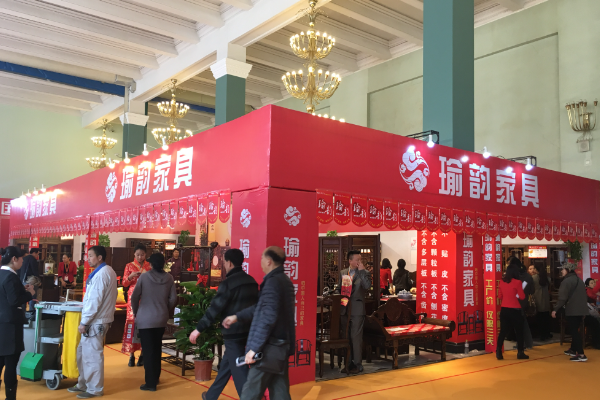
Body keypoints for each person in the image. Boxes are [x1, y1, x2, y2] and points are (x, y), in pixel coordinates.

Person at [222, 246, 295, 400]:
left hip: (268, 349)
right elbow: (261, 307)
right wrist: (237, 316)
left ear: (269, 261)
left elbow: (268, 318)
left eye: (262, 257)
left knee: (250, 393)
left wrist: (254, 349)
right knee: (280, 393)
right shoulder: (284, 280)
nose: (260, 260)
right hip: (280, 348)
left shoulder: (273, 283)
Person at [189, 249, 259, 400]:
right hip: (248, 332)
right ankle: (211, 396)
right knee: (227, 365)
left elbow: (214, 309)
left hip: (232, 333)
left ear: (229, 263)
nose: (224, 265)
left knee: (240, 371)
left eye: (224, 262)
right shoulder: (252, 281)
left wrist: (198, 329)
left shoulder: (228, 284)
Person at [68, 246, 118, 398]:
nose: (87, 259)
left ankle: (95, 389)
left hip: (95, 321)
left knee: (92, 356)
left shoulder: (102, 274)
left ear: (100, 257)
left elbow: (94, 301)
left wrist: (84, 322)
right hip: (97, 319)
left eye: (90, 256)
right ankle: (83, 383)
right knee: (82, 353)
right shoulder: (106, 271)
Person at [131, 253, 176, 392]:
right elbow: (173, 299)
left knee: (148, 350)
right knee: (157, 348)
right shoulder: (169, 278)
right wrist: (164, 309)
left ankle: (150, 383)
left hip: (145, 318)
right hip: (161, 318)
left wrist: (137, 312)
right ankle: (155, 377)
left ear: (150, 264)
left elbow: (134, 297)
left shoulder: (144, 277)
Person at [0, 247, 35, 400]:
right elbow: (14, 301)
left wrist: (21, 289)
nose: (22, 262)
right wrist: (29, 294)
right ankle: (10, 397)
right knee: (11, 363)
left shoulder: (2, 274)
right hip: (11, 326)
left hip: (2, 323)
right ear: (14, 259)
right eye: (21, 259)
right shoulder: (11, 276)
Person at [337, 250, 371, 374]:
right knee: (346, 337)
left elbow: (367, 286)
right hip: (344, 308)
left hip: (357, 309)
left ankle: (357, 364)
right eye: (357, 260)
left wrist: (361, 271)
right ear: (350, 261)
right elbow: (339, 288)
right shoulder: (343, 273)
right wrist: (337, 294)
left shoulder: (365, 272)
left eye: (360, 260)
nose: (359, 262)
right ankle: (348, 363)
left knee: (356, 337)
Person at [121, 243, 151, 367]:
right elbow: (124, 283)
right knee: (132, 324)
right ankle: (131, 354)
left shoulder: (149, 266)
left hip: (146, 297)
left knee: (144, 324)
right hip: (133, 297)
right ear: (134, 254)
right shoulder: (129, 266)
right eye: (138, 254)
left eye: (142, 254)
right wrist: (130, 277)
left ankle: (143, 354)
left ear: (145, 255)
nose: (140, 257)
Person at [552, 263, 589, 362]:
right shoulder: (580, 281)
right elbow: (584, 297)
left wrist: (555, 309)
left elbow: (562, 298)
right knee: (575, 330)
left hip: (572, 310)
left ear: (568, 270)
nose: (561, 271)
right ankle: (573, 349)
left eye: (563, 269)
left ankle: (581, 354)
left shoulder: (566, 281)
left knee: (574, 332)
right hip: (581, 310)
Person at [496, 263, 528, 360]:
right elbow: (522, 297)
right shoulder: (518, 282)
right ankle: (520, 352)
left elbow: (500, 296)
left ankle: (498, 351)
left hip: (504, 309)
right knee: (519, 332)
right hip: (515, 310)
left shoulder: (502, 282)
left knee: (503, 331)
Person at [514, 258, 534, 349]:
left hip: (515, 302)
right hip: (524, 302)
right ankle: (528, 343)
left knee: (519, 324)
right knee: (523, 323)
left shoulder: (515, 278)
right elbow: (532, 291)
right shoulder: (529, 277)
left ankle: (522, 344)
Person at [532, 264, 552, 340]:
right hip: (546, 300)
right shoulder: (547, 278)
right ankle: (547, 333)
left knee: (539, 318)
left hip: (538, 299)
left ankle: (541, 335)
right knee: (546, 318)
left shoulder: (534, 278)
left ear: (536, 269)